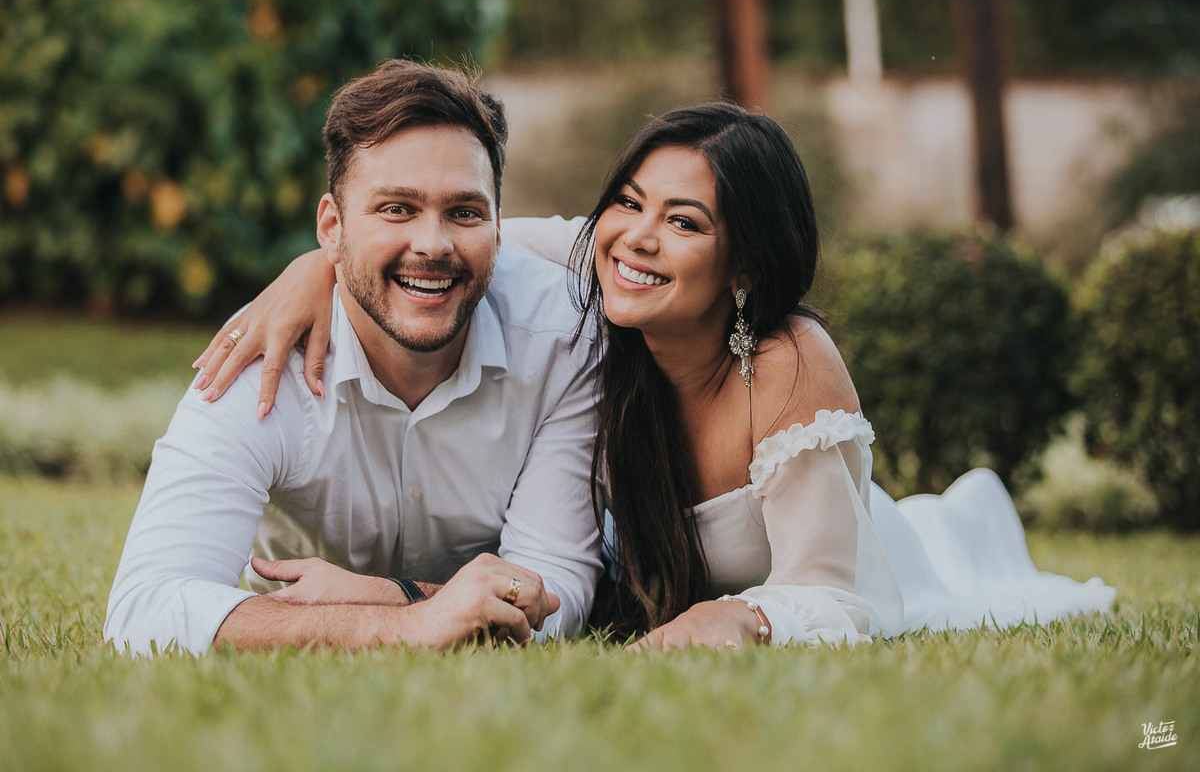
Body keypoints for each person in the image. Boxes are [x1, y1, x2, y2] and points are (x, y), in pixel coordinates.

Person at [195, 101, 1115, 650]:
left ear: (744, 260)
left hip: (861, 554)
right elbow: (441, 242)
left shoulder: (784, 364)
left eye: (684, 222)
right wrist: (312, 271)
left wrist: (744, 621)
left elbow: (842, 595)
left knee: (958, 559)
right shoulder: (594, 277)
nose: (637, 239)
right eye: (629, 204)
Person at [103, 59, 604, 656]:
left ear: (499, 229)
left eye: (464, 212)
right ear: (331, 229)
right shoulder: (262, 358)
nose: (433, 245)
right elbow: (143, 608)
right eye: (396, 209)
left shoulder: (562, 339)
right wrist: (409, 626)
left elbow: (554, 590)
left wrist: (393, 596)